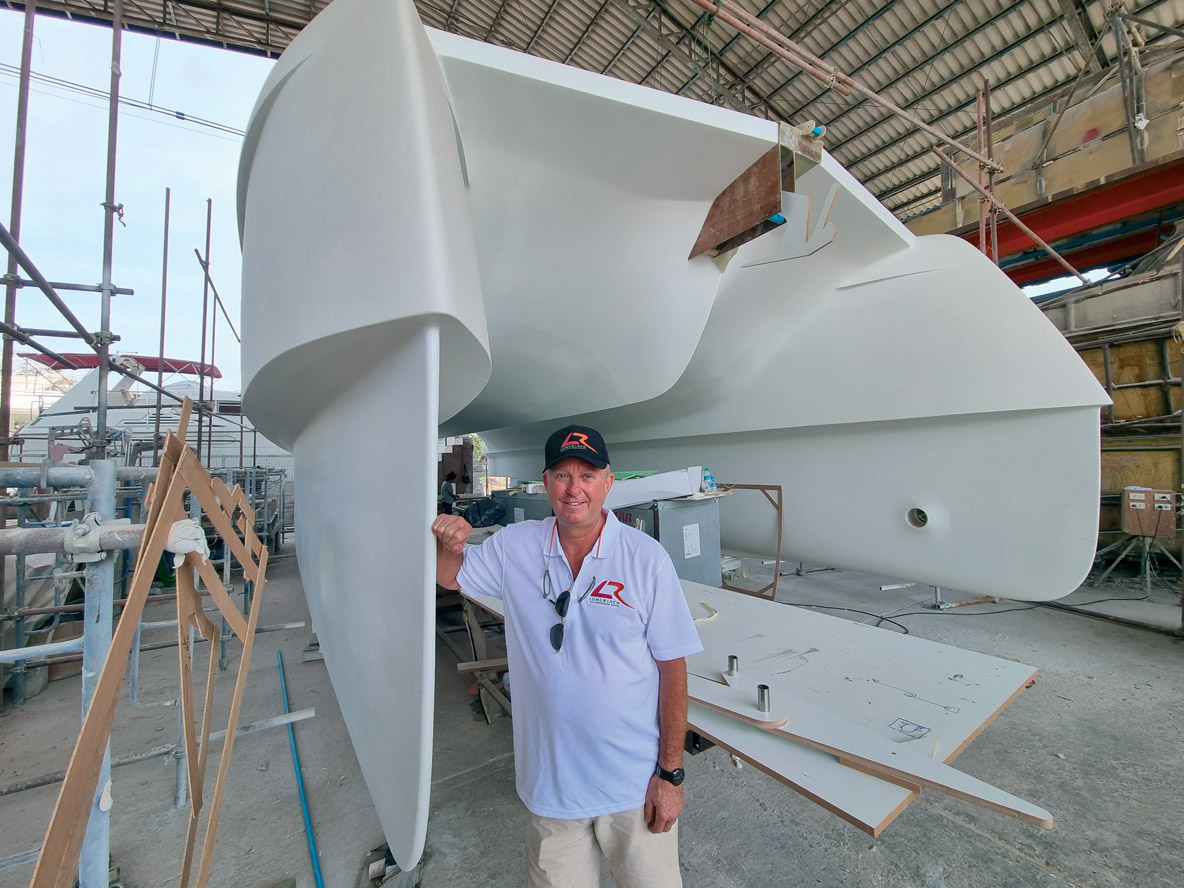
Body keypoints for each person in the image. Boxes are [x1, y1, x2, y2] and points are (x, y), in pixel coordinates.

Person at [432, 424, 702, 888]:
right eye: (561, 475)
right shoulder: (515, 547)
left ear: (608, 483)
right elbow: (451, 575)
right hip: (550, 788)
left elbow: (672, 668)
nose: (574, 489)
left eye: (587, 475)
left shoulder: (646, 559)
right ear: (545, 482)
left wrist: (671, 774)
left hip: (632, 786)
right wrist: (445, 541)